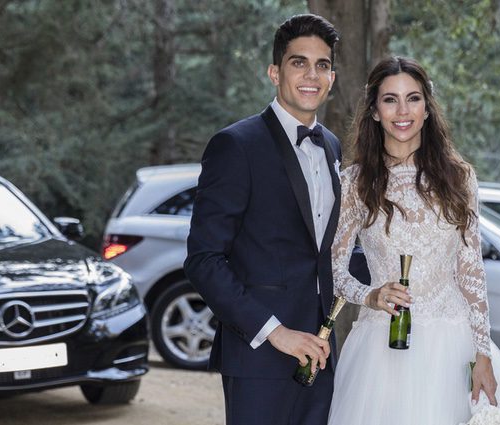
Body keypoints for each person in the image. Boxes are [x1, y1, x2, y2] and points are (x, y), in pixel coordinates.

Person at [328, 57, 500, 425]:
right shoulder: (355, 182)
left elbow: (471, 272)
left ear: (428, 109)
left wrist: (482, 354)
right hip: (381, 351)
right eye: (390, 100)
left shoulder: (459, 177)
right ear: (374, 111)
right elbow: (333, 269)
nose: (403, 111)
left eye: (413, 99)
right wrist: (369, 294)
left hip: (452, 343)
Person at [183, 14, 342, 425]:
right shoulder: (236, 145)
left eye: (321, 65)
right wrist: (276, 332)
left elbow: (325, 250)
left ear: (333, 77)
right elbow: (204, 260)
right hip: (259, 357)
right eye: (298, 62)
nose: (311, 75)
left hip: (321, 356)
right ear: (274, 72)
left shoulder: (333, 148)